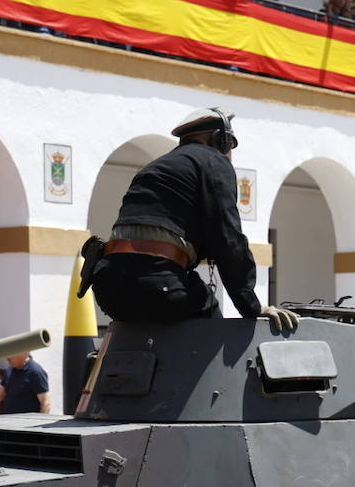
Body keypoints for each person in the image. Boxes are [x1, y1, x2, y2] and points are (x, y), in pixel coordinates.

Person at [87, 107, 296, 331]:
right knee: (210, 328)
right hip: (161, 284)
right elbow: (228, 237)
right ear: (220, 140)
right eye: (230, 145)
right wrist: (252, 306)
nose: (230, 154)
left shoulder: (156, 167)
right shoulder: (214, 161)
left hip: (109, 286)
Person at [0, 352, 51, 416]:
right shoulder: (9, 370)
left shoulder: (35, 372)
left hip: (27, 426)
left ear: (23, 353)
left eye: (12, 352)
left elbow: (45, 403)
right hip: (10, 424)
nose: (7, 357)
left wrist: (37, 430)